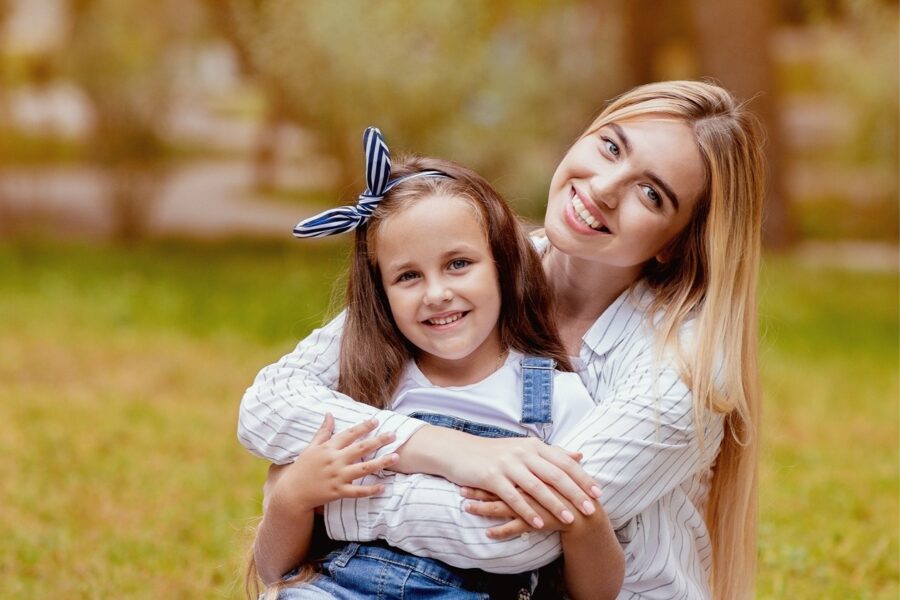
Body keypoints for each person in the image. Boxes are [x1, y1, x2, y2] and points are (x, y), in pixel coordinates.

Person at [239, 80, 765, 600]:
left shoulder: (686, 362)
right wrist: (450, 451)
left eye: (651, 194)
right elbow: (269, 405)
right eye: (610, 147)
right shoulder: (472, 270)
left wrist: (301, 492)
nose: (604, 188)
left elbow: (514, 540)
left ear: (675, 243)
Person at [247, 127, 624, 599]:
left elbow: (599, 593)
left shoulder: (554, 398)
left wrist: (584, 520)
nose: (437, 293)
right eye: (408, 275)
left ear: (503, 264)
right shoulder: (373, 388)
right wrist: (293, 496)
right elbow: (274, 571)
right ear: (381, 294)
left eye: (458, 263)